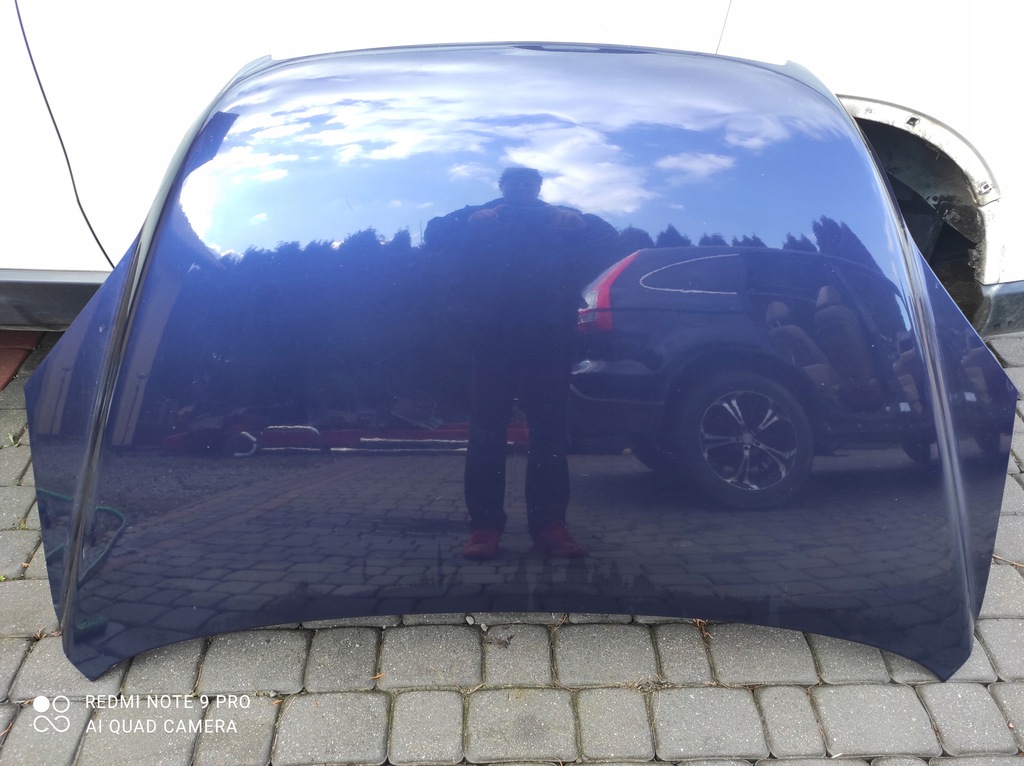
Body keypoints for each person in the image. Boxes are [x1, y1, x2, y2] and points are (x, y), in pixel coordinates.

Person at [424, 167, 616, 560]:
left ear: (538, 188)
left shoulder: (559, 216)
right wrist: (469, 220)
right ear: (501, 187)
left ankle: (550, 526)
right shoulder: (479, 215)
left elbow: (610, 236)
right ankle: (485, 527)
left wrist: (581, 223)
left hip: (549, 338)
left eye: (527, 183)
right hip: (491, 338)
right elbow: (434, 233)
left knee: (549, 433)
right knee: (486, 433)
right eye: (512, 183)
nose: (520, 188)